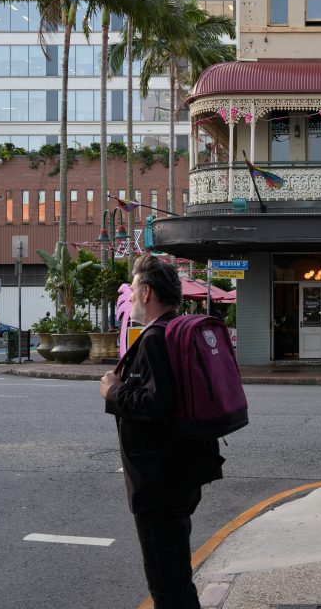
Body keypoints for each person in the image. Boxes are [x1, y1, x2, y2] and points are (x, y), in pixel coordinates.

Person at [100, 254, 225, 609]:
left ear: (147, 292)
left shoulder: (157, 338)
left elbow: (157, 404)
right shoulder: (178, 331)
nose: (130, 296)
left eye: (134, 287)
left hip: (159, 479)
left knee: (166, 583)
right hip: (181, 471)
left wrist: (113, 391)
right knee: (174, 573)